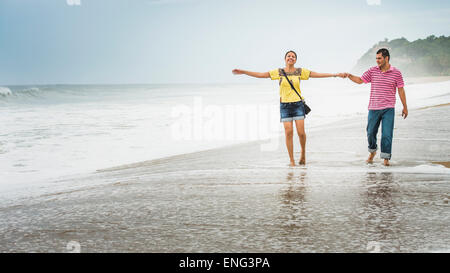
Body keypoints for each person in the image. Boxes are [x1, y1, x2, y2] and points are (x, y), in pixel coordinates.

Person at [232, 50, 346, 166]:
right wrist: (244, 72)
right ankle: (291, 161)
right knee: (289, 133)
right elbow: (261, 75)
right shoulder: (279, 72)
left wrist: (335, 75)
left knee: (301, 133)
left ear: (295, 60)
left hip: (298, 105)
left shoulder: (300, 72)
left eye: (293, 56)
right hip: (285, 106)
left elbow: (316, 74)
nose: (291, 57)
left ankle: (303, 153)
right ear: (285, 59)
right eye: (288, 56)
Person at [346, 48, 408, 166]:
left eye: (379, 58)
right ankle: (373, 151)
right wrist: (349, 75)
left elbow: (401, 90)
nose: (377, 61)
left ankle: (385, 159)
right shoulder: (372, 71)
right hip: (373, 108)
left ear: (386, 58)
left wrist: (405, 107)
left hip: (388, 108)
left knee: (387, 134)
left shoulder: (396, 73)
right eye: (376, 58)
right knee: (370, 133)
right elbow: (360, 80)